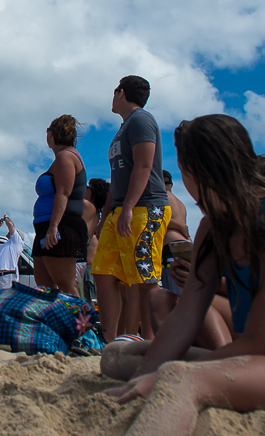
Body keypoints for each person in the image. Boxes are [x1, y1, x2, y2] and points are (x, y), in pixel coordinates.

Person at [101, 114, 265, 429]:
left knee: (179, 379)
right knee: (117, 357)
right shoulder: (214, 225)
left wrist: (160, 374)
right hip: (256, 359)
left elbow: (255, 343)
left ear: (193, 171)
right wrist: (146, 373)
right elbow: (187, 312)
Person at [93, 76, 171, 340]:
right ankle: (109, 340)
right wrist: (106, 215)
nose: (112, 97)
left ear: (121, 92)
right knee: (103, 273)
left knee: (144, 278)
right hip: (119, 210)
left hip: (145, 207)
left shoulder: (141, 120)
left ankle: (149, 340)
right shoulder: (124, 127)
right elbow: (117, 176)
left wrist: (128, 207)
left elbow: (144, 165)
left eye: (114, 91)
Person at [32, 114, 88, 297]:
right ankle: (54, 324)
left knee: (66, 285)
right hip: (45, 226)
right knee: (45, 287)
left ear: (52, 134)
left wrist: (53, 227)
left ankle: (81, 325)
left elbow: (63, 193)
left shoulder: (66, 157)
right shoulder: (60, 158)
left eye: (48, 130)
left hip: (60, 226)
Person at [0, 215, 23, 291]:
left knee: (6, 301)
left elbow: (10, 225)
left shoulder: (17, 243)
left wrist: (6, 218)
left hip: (8, 277)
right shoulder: (2, 246)